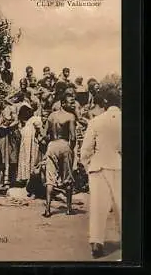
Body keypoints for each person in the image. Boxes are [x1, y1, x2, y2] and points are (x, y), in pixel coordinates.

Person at [80, 87, 121, 259]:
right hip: (119, 164)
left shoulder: (96, 121)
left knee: (98, 206)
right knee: (122, 203)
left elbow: (86, 150)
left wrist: (86, 164)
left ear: (105, 103)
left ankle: (97, 242)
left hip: (98, 166)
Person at [42, 91, 77, 217]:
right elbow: (73, 137)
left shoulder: (51, 116)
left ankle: (47, 209)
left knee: (50, 178)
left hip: (52, 145)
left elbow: (44, 135)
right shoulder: (70, 116)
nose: (73, 105)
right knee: (67, 178)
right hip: (64, 144)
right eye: (70, 102)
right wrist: (70, 149)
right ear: (63, 103)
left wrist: (50, 144)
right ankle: (68, 209)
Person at [17, 103, 43, 184]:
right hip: (26, 145)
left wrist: (39, 137)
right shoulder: (25, 124)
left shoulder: (34, 120)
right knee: (26, 159)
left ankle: (30, 179)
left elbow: (41, 128)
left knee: (31, 159)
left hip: (32, 144)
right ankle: (26, 178)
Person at [0, 101, 20, 187]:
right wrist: (1, 126)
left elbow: (16, 121)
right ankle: (1, 180)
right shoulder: (4, 111)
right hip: (4, 136)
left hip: (12, 136)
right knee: (2, 157)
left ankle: (11, 180)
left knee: (12, 158)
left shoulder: (12, 109)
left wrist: (8, 127)